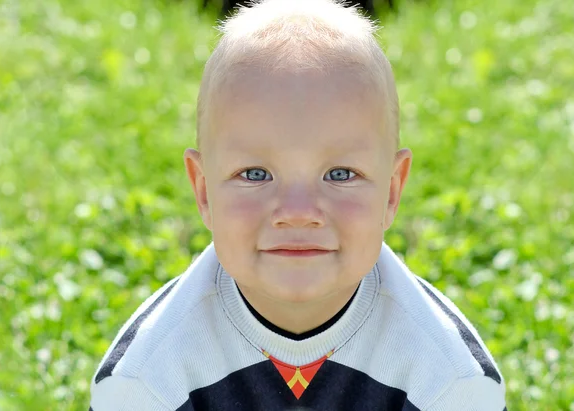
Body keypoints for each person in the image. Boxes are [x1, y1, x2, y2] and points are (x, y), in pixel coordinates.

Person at [89, 0, 507, 409]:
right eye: (255, 174)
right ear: (203, 192)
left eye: (340, 174)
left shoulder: (450, 379)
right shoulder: (145, 380)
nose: (298, 212)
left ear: (392, 192)